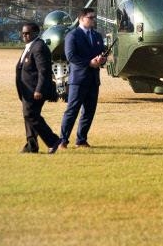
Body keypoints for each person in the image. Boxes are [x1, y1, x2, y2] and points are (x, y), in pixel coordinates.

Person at [59, 8, 106, 149]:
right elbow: (71, 56)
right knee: (72, 110)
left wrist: (101, 60)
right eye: (90, 17)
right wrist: (89, 63)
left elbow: (101, 54)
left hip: (93, 79)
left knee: (89, 111)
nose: (93, 19)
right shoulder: (72, 35)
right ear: (81, 19)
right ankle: (62, 140)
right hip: (78, 80)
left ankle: (81, 140)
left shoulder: (97, 36)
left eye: (93, 17)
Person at [15, 22, 61, 154]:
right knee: (28, 116)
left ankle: (52, 141)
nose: (25, 35)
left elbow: (44, 71)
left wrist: (39, 90)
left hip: (34, 91)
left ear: (36, 33)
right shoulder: (30, 46)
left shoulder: (39, 47)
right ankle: (31, 146)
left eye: (28, 33)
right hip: (26, 90)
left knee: (31, 115)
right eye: (23, 33)